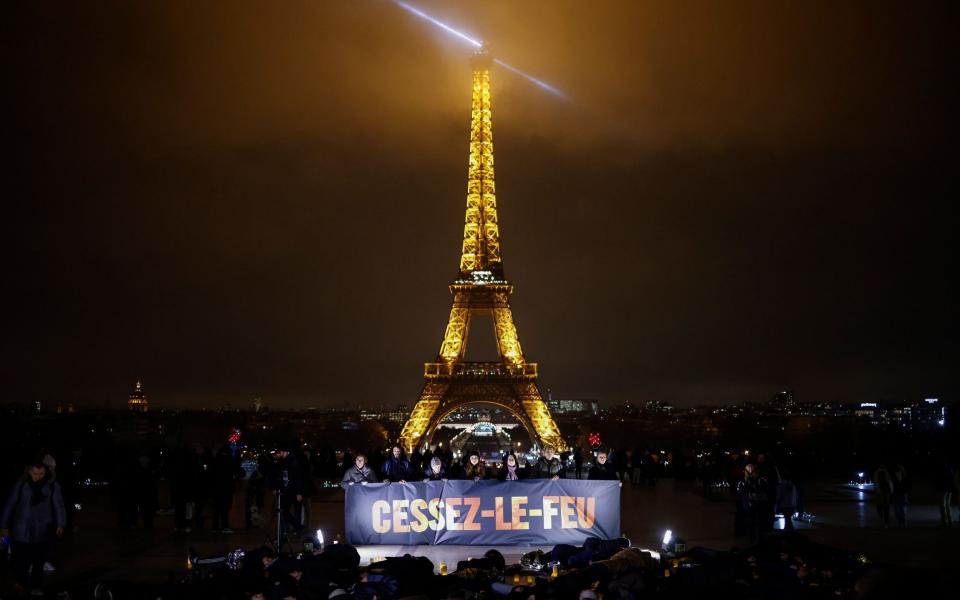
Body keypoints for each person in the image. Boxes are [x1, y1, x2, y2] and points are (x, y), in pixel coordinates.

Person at [1, 460, 66, 595]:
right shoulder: (21, 484)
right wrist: (4, 525)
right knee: (21, 560)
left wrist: (61, 523)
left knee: (38, 561)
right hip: (22, 529)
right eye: (34, 473)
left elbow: (58, 504)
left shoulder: (51, 485)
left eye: (41, 474)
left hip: (42, 529)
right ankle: (20, 583)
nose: (37, 477)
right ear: (29, 471)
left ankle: (36, 586)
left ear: (45, 472)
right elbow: (10, 504)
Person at [735, 464, 766, 543]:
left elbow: (763, 489)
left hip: (759, 504)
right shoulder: (742, 481)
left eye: (752, 472)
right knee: (750, 522)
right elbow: (740, 491)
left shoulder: (760, 479)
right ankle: (751, 538)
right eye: (748, 472)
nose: (750, 474)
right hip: (747, 504)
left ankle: (759, 538)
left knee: (759, 522)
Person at [936, 460, 955, 528]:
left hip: (942, 489)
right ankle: (950, 521)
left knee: (942, 506)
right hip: (949, 489)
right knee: (947, 505)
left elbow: (938, 478)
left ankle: (944, 522)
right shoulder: (951, 467)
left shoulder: (941, 468)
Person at [890, 463, 910, 527]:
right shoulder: (894, 476)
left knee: (900, 507)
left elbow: (906, 486)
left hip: (900, 493)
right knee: (898, 507)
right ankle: (901, 520)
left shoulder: (903, 476)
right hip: (897, 493)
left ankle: (902, 520)